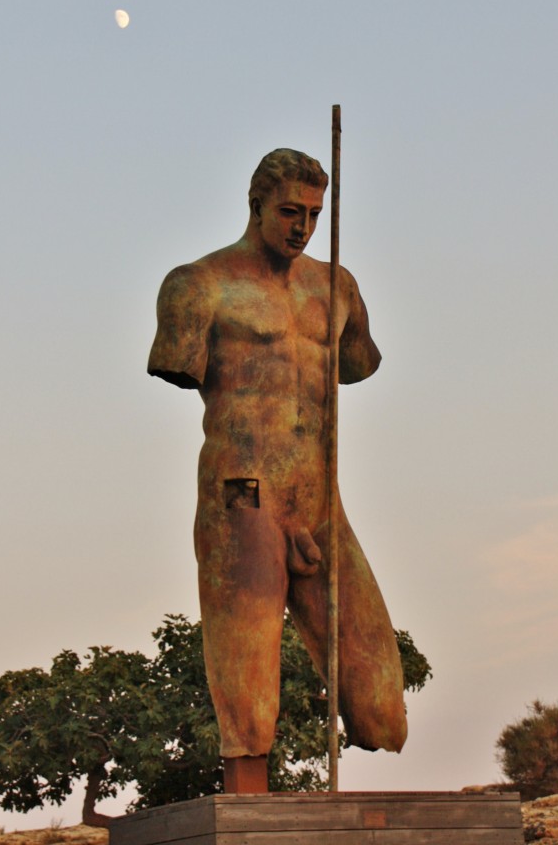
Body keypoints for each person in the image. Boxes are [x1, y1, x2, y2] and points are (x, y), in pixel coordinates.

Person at [148, 148, 407, 790]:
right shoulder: (198, 284)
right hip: (243, 491)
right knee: (249, 666)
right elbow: (179, 362)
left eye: (315, 214)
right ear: (256, 205)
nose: (303, 227)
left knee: (381, 710)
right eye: (291, 211)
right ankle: (246, 795)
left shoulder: (336, 287)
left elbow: (358, 362)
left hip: (318, 496)